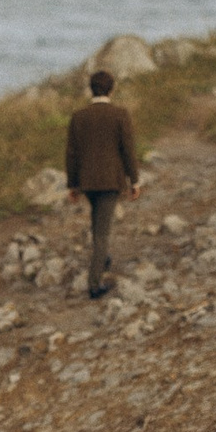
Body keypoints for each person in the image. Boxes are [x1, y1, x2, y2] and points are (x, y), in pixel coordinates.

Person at [66, 69, 141, 299]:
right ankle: (94, 283)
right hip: (110, 181)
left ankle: (103, 257)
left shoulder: (78, 117)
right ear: (112, 89)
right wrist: (134, 180)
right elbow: (128, 150)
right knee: (102, 232)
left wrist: (73, 184)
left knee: (97, 221)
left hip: (87, 182)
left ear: (91, 89)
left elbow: (72, 153)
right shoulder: (120, 114)